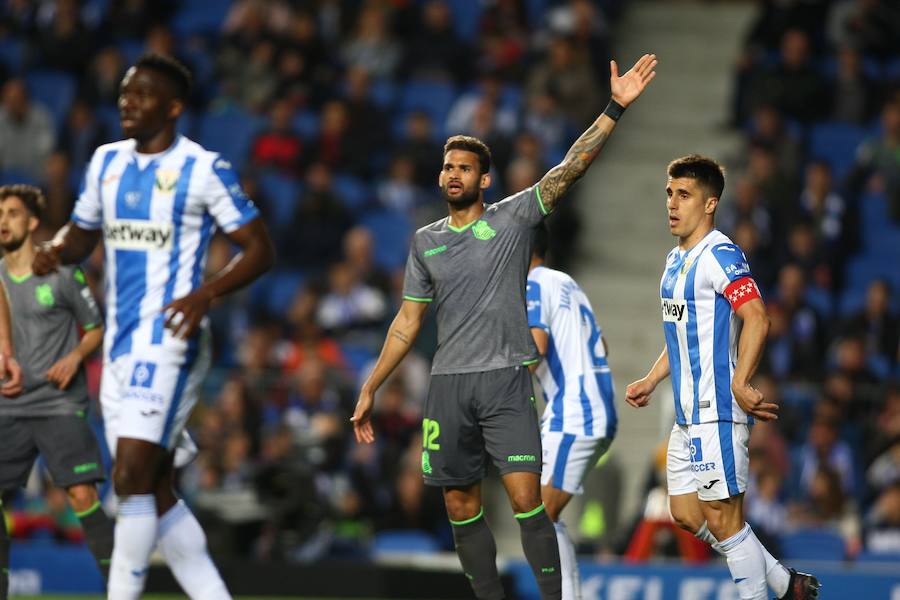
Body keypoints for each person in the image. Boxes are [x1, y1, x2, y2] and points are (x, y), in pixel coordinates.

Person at [351, 54, 657, 600]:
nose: (453, 174)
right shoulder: (425, 242)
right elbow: (407, 322)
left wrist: (614, 108)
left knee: (527, 502)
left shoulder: (512, 219)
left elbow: (570, 168)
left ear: (484, 179)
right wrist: (372, 385)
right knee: (459, 505)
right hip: (448, 385)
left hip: (506, 382)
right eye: (448, 167)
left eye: (464, 168)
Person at [32, 54, 275, 600]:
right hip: (117, 344)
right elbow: (81, 235)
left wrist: (207, 292)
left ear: (173, 107)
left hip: (170, 339)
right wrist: (54, 250)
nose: (127, 102)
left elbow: (260, 249)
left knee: (128, 478)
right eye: (124, 92)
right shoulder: (106, 162)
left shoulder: (202, 169)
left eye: (141, 94)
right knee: (155, 490)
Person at [624, 155, 820, 600]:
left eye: (684, 195)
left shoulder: (720, 254)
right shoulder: (674, 260)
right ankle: (785, 583)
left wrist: (741, 381)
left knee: (725, 522)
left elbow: (757, 318)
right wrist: (652, 379)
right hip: (686, 415)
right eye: (669, 193)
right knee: (686, 513)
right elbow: (682, 335)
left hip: (717, 410)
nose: (672, 203)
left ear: (710, 203)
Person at [525, 223, 617, 600]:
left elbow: (534, 349)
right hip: (596, 407)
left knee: (538, 515)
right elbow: (603, 345)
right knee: (542, 513)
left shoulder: (531, 284)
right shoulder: (566, 283)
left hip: (574, 412)